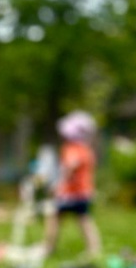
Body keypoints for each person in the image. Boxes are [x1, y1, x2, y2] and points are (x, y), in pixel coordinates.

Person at [44, 110, 102, 259]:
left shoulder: (72, 149)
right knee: (84, 219)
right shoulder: (86, 150)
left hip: (70, 193)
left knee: (55, 217)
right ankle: (95, 249)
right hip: (83, 192)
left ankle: (48, 247)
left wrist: (58, 185)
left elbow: (70, 166)